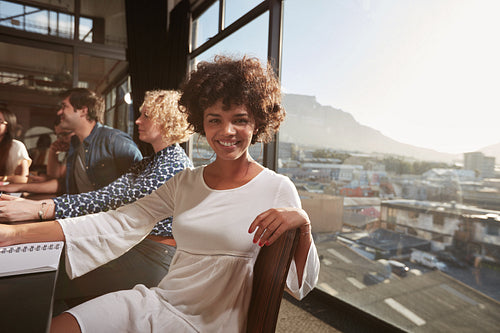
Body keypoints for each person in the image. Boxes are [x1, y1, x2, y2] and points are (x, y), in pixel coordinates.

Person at [0, 56, 320, 333]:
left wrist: (303, 227)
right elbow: (118, 221)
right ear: (200, 122)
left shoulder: (277, 188)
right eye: (214, 120)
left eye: (240, 120)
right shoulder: (185, 182)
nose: (226, 131)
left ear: (258, 122)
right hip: (159, 299)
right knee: (58, 326)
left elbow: (299, 286)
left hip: (211, 322)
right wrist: (14, 234)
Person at [0, 90, 193, 307]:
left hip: (152, 253)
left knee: (41, 277)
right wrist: (37, 206)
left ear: (167, 122)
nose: (138, 120)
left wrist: (40, 208)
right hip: (128, 241)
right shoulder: (151, 161)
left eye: (146, 116)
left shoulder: (174, 165)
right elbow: (105, 195)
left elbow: (110, 201)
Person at [0, 107, 31, 184]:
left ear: (8, 127)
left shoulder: (16, 146)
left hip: (5, 191)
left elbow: (23, 179)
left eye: (0, 121)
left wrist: (3, 178)